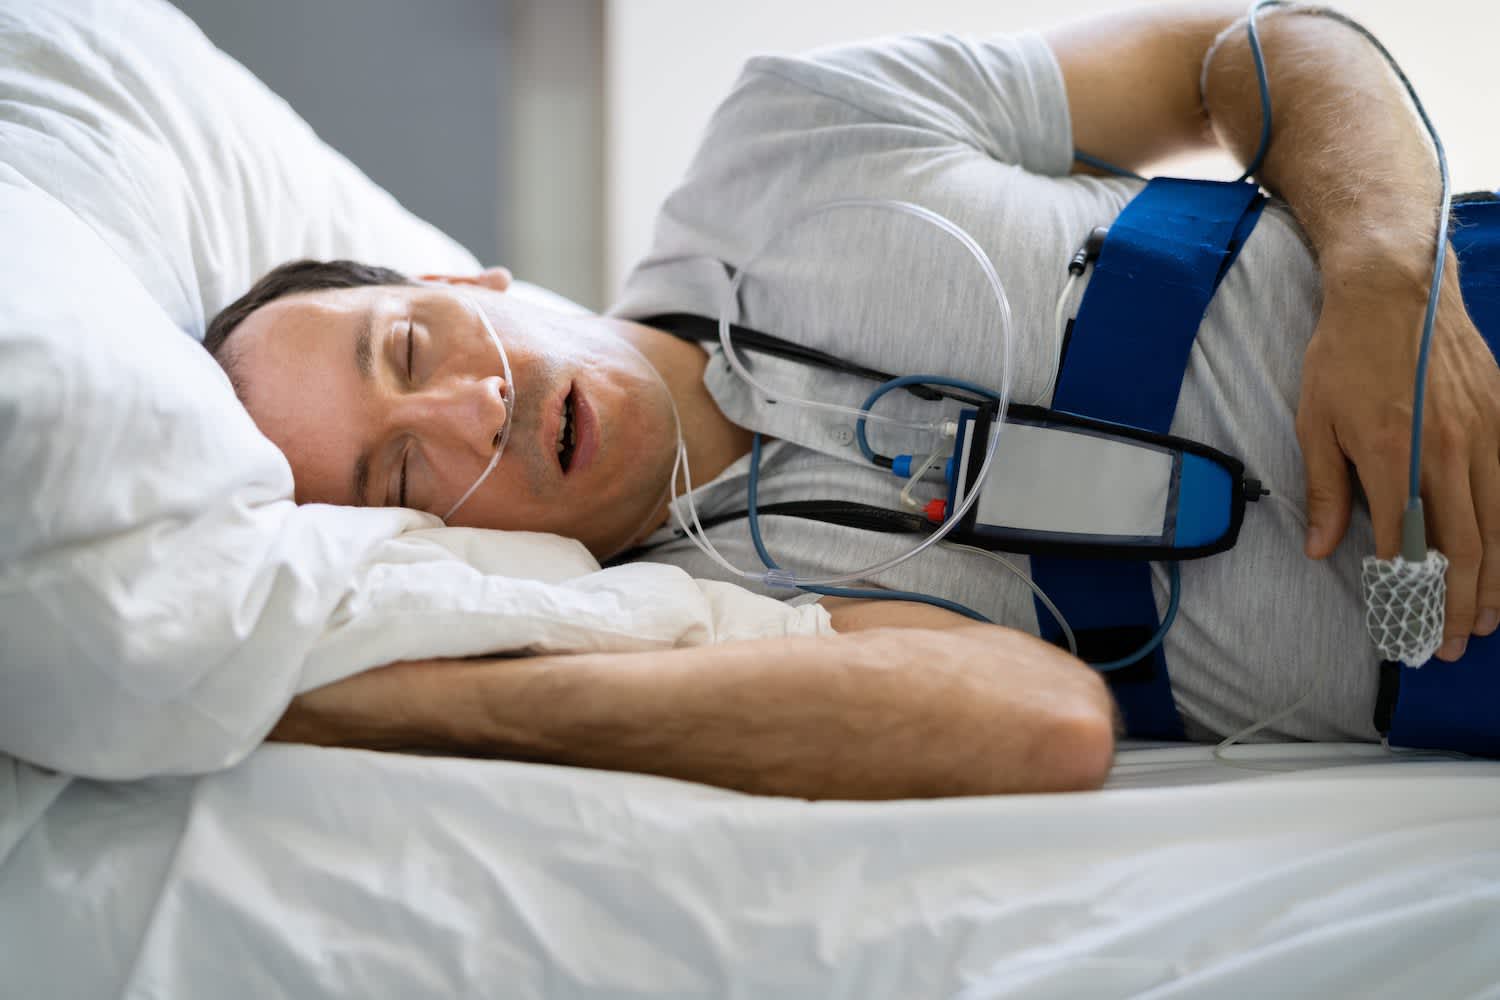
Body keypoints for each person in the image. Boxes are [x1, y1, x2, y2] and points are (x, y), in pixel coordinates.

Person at [205, 3, 1500, 798]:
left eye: (409, 351)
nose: (468, 415)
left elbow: (1256, 48)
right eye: (401, 477)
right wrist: (370, 705)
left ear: (462, 282)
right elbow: (1045, 725)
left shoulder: (792, 134)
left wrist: (1388, 278)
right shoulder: (709, 625)